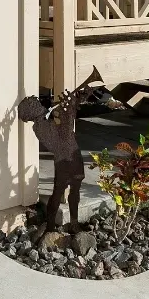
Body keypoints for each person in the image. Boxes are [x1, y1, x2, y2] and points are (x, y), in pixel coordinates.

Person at [18, 67, 123, 231]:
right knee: (58, 192)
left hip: (71, 157)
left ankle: (73, 223)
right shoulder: (41, 126)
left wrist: (77, 100)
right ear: (32, 111)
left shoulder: (45, 120)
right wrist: (70, 108)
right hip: (66, 160)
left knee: (73, 191)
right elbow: (63, 135)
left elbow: (65, 127)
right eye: (35, 104)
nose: (40, 103)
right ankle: (52, 226)